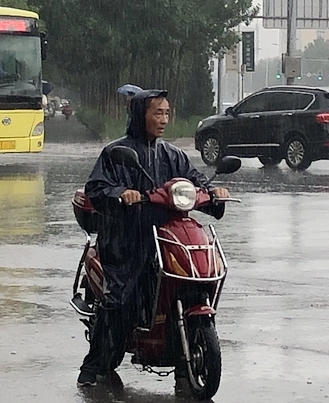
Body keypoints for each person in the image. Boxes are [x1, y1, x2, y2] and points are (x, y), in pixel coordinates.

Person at [77, 89, 230, 387]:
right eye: (157, 113)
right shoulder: (116, 153)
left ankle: (183, 352)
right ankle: (94, 366)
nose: (163, 120)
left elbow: (194, 182)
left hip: (166, 236)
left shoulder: (172, 155)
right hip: (127, 238)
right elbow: (96, 187)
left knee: (195, 276)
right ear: (139, 116)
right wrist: (121, 193)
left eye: (166, 113)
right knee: (121, 296)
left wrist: (214, 193)